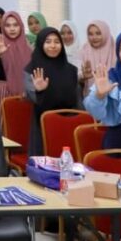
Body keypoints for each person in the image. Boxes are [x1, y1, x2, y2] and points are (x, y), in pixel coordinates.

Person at [24, 27, 80, 157]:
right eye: (48, 42)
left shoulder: (71, 70)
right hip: (41, 126)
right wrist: (38, 91)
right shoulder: (31, 70)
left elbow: (75, 100)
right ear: (40, 44)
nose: (53, 46)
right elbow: (29, 99)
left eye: (57, 41)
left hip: (68, 125)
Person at [0, 11, 33, 116]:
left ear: (21, 26)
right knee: (3, 124)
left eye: (15, 25)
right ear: (3, 27)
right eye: (7, 25)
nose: (12, 29)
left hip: (25, 94)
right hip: (1, 93)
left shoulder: (28, 47)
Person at [80, 20, 116, 89]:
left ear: (105, 33)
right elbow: (76, 75)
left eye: (98, 33)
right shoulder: (84, 50)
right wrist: (83, 76)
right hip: (90, 94)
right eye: (90, 34)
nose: (94, 37)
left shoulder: (115, 49)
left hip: (113, 93)